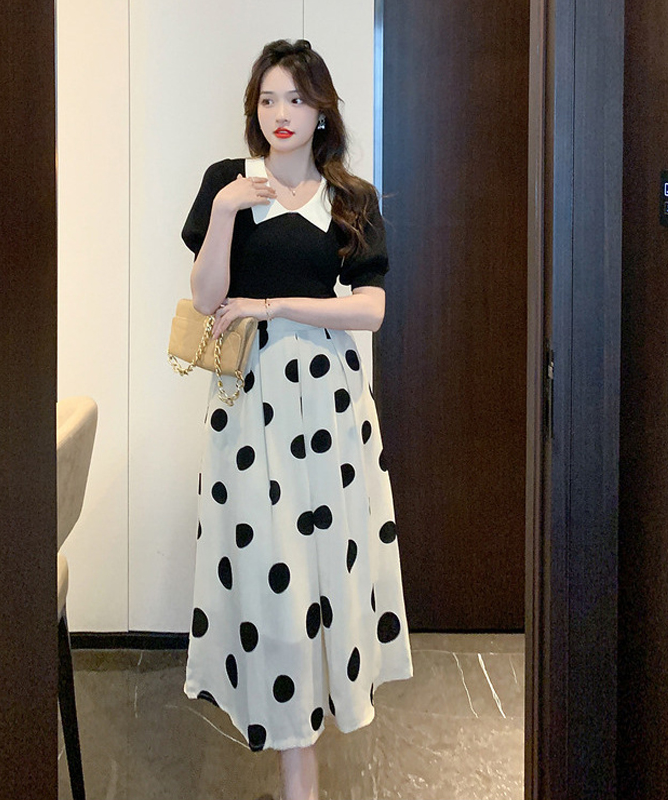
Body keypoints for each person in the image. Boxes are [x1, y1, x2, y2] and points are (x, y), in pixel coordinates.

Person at [181, 39, 413, 800]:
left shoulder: (351, 198)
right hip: (250, 409)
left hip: (332, 410)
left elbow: (371, 310)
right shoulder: (227, 183)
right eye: (268, 98)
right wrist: (224, 212)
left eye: (297, 99)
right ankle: (294, 760)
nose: (281, 113)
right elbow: (207, 297)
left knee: (327, 570)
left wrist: (275, 304)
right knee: (269, 573)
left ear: (322, 112)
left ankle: (304, 759)